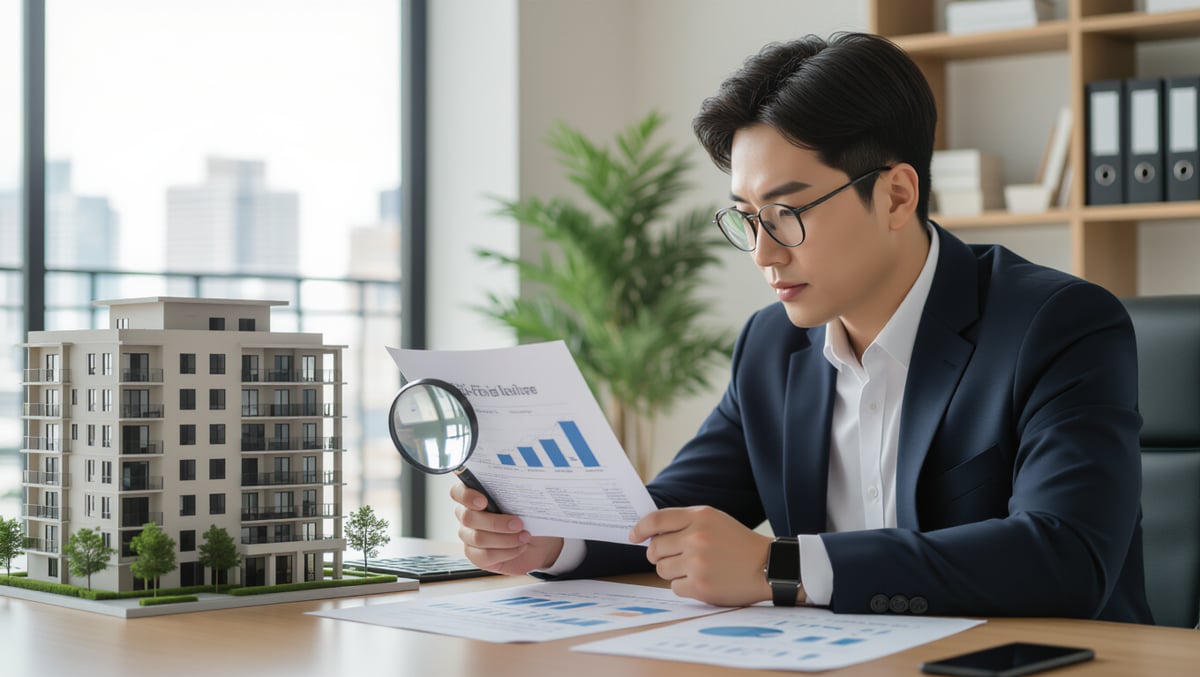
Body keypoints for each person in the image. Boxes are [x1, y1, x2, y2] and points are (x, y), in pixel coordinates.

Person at [450, 31, 1153, 623]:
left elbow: (1066, 555)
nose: (763, 251)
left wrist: (779, 566)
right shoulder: (771, 344)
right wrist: (549, 541)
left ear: (897, 194)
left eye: (788, 212)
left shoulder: (1058, 325)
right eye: (747, 218)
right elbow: (670, 517)